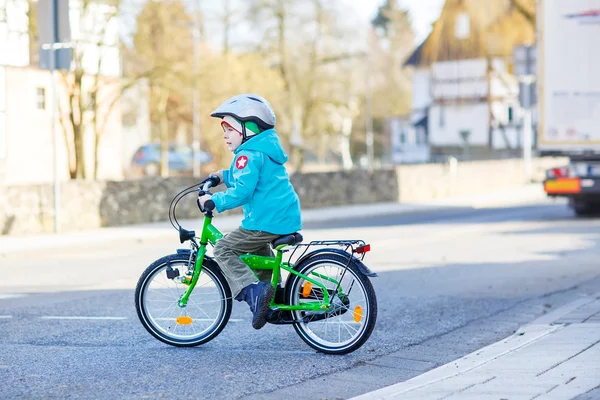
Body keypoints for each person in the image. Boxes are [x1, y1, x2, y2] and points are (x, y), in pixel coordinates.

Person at [198, 94, 302, 330]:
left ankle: (255, 294)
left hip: (265, 221)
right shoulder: (263, 150)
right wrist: (222, 175)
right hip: (281, 218)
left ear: (248, 129)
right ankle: (270, 304)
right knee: (261, 260)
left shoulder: (248, 154)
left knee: (223, 248)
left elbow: (243, 192)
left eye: (230, 129)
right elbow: (246, 176)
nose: (224, 134)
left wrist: (214, 201)